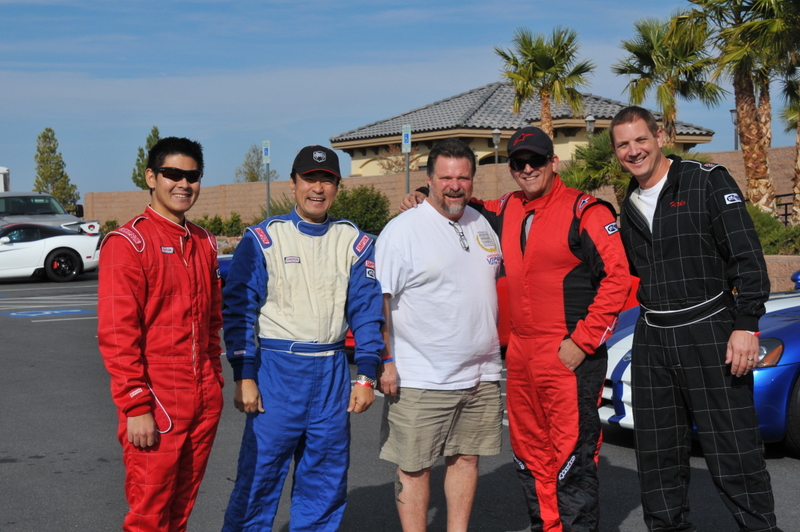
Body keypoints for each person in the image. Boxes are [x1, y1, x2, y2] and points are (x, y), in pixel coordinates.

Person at [402, 127, 631, 531]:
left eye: (536, 160)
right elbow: (463, 199)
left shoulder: (586, 211)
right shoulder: (506, 207)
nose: (527, 169)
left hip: (568, 354)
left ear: (553, 162)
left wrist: (582, 341)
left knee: (571, 457)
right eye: (519, 163)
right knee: (529, 454)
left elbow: (618, 278)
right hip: (521, 356)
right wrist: (423, 192)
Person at [610, 106, 781, 531]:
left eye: (640, 139)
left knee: (734, 450)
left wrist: (746, 325)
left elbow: (747, 259)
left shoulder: (706, 180)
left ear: (660, 137)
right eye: (623, 145)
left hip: (711, 330)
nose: (633, 151)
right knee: (657, 456)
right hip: (653, 338)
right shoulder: (628, 202)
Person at [221, 145, 385, 531]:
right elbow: (239, 309)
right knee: (258, 480)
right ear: (293, 184)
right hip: (277, 372)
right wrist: (244, 374)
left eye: (327, 180)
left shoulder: (354, 241)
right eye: (309, 179)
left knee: (325, 483)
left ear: (337, 187)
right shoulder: (264, 238)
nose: (318, 188)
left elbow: (367, 312)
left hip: (331, 373)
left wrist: (366, 375)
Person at [375, 138, 504, 532]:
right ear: (428, 179)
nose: (454, 186)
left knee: (467, 458)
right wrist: (386, 361)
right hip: (421, 376)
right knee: (414, 467)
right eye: (446, 177)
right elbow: (378, 302)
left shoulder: (481, 223)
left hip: (481, 374)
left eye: (463, 177)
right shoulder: (402, 230)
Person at [98, 137, 224, 532]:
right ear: (151, 177)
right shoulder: (128, 243)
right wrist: (136, 406)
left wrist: (215, 381)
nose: (183, 184)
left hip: (203, 395)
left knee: (181, 508)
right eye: (173, 174)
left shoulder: (203, 241)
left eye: (193, 176)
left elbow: (213, 322)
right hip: (156, 398)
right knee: (149, 512)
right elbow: (118, 334)